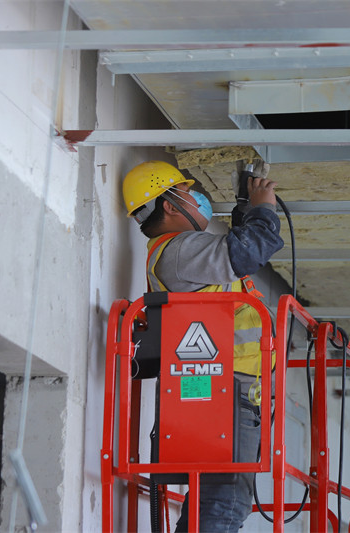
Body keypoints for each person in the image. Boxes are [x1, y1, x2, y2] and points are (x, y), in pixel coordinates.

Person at [122, 159, 284, 532]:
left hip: (223, 388)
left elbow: (233, 254)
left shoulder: (181, 252)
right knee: (225, 503)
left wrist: (247, 206)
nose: (198, 198)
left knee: (220, 500)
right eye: (187, 191)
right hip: (224, 389)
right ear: (169, 204)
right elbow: (247, 253)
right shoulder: (180, 250)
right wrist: (263, 207)